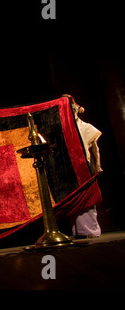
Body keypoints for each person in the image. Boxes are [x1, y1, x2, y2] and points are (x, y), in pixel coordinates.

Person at [65, 94, 103, 238]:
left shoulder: (86, 127)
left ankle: (89, 231)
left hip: (84, 167)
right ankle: (77, 231)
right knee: (74, 202)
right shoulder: (63, 129)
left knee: (87, 200)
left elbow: (95, 150)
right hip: (70, 168)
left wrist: (96, 167)